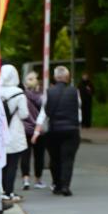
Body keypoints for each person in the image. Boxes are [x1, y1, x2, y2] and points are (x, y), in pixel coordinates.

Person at [32, 65, 81, 196]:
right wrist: (77, 123)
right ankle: (65, 185)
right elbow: (79, 109)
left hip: (53, 130)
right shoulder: (75, 92)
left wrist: (37, 131)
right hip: (71, 129)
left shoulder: (48, 92)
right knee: (67, 158)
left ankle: (57, 184)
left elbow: (43, 113)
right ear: (67, 77)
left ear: (55, 77)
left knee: (55, 158)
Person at [0, 64, 28, 203]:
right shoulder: (19, 93)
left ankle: (2, 191)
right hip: (14, 131)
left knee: (2, 163)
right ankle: (9, 192)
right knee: (13, 164)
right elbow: (24, 114)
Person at [20, 71, 45, 190]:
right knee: (39, 155)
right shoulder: (41, 96)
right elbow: (44, 110)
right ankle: (38, 179)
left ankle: (26, 179)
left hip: (24, 129)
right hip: (39, 129)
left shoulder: (21, 96)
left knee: (25, 155)